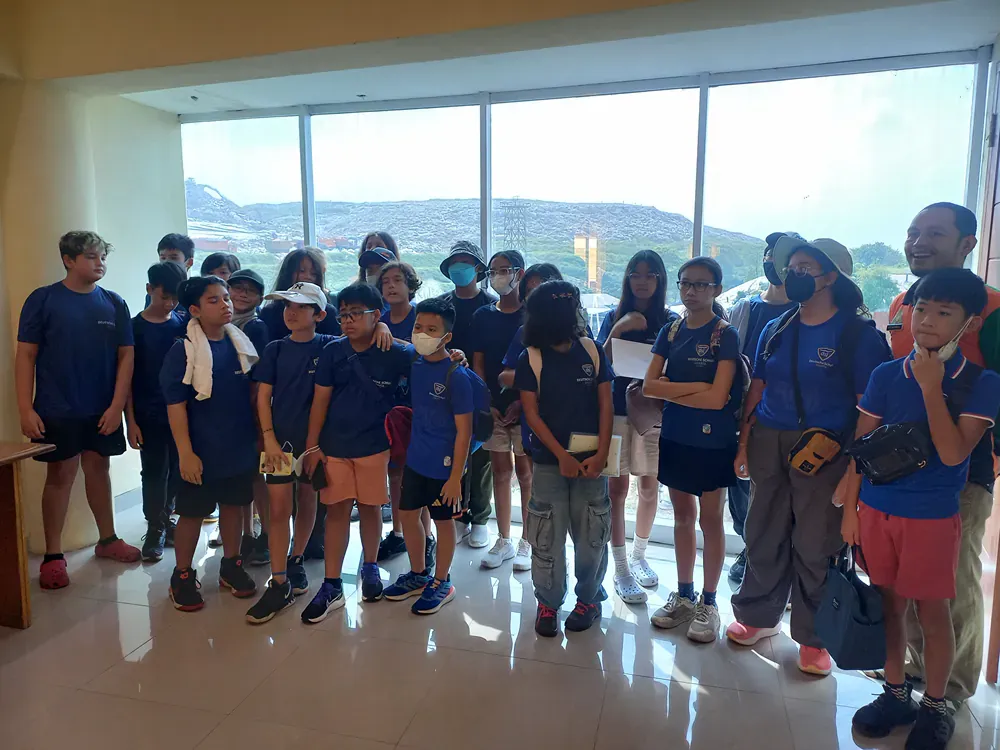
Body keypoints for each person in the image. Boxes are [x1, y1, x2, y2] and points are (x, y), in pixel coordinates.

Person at [845, 268, 1000, 749]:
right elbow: (861, 445)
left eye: (944, 312)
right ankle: (895, 694)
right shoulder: (886, 374)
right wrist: (849, 509)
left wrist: (933, 387)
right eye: (922, 310)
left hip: (932, 516)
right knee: (891, 608)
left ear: (970, 323)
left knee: (934, 614)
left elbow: (953, 454)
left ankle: (935, 705)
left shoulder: (981, 382)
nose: (927, 321)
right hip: (877, 510)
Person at [727, 236, 890, 676]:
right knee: (762, 530)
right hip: (769, 441)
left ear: (831, 277)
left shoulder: (857, 335)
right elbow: (757, 389)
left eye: (805, 269)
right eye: (791, 269)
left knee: (816, 543)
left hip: (827, 450)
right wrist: (743, 443)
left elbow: (869, 411)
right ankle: (758, 616)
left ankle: (815, 636)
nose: (794, 275)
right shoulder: (777, 327)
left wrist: (853, 473)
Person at [882, 202, 1000, 708]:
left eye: (934, 233)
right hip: (896, 470)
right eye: (913, 232)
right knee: (902, 581)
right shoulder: (901, 303)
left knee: (950, 583)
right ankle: (915, 668)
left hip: (962, 472)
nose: (918, 242)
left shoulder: (991, 309)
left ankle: (950, 689)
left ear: (967, 244)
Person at [16, 231, 140, 589]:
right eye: (90, 257)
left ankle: (107, 539)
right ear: (68, 260)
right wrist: (25, 408)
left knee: (99, 469)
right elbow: (26, 355)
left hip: (102, 408)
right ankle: (53, 555)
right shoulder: (44, 299)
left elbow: (126, 357)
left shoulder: (113, 302)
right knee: (60, 476)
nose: (99, 263)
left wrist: (116, 406)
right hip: (57, 406)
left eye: (103, 257)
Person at [299, 283, 413, 623]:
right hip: (335, 447)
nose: (347, 321)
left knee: (370, 508)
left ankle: (371, 567)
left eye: (355, 314)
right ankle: (332, 583)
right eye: (343, 315)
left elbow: (426, 361)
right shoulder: (333, 352)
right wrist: (312, 446)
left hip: (375, 446)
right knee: (336, 511)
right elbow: (319, 401)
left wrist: (455, 356)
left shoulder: (393, 351)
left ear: (376, 315)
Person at [642, 257, 739, 643]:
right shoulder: (671, 330)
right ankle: (684, 596)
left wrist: (673, 390)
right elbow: (649, 386)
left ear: (716, 289)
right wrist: (697, 388)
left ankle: (709, 603)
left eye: (701, 284)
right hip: (676, 435)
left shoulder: (724, 334)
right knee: (683, 516)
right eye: (686, 283)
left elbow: (718, 400)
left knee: (711, 520)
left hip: (714, 441)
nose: (692, 291)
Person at [515, 280, 613, 637]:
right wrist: (561, 456)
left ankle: (588, 599)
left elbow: (606, 404)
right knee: (546, 536)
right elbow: (532, 414)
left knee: (591, 535)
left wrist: (601, 453)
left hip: (592, 463)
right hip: (548, 463)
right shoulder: (531, 358)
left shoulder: (592, 350)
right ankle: (548, 602)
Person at [161, 276, 260, 611]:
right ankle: (182, 575)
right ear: (194, 310)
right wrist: (186, 453)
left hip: (237, 446)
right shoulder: (184, 350)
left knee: (234, 506)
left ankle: (231, 566)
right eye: (214, 300)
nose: (225, 304)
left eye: (226, 298)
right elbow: (175, 407)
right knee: (192, 513)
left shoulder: (240, 344)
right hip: (200, 450)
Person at [245, 282, 337, 623]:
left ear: (319, 315)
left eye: (300, 306)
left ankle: (296, 558)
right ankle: (279, 580)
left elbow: (369, 342)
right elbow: (262, 397)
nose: (291, 312)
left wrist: (384, 328)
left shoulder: (330, 347)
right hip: (278, 443)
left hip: (316, 444)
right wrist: (268, 438)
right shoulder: (275, 349)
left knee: (308, 499)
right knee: (278, 509)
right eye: (287, 305)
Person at [383, 297, 475, 615]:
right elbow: (399, 344)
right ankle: (419, 573)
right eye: (418, 327)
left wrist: (455, 478)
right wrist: (381, 327)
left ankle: (442, 581)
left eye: (431, 329)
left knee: (443, 521)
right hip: (416, 460)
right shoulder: (416, 363)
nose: (422, 334)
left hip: (444, 467)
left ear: (447, 336)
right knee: (408, 515)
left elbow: (464, 432)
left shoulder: (457, 375)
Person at [597, 250, 677, 604]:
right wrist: (619, 328)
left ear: (660, 280)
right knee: (616, 490)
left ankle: (640, 555)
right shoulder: (614, 317)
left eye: (650, 274)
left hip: (654, 414)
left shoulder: (671, 322)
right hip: (615, 412)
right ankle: (620, 567)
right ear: (627, 279)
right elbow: (598, 364)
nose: (642, 281)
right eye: (635, 274)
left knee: (649, 487)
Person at [724, 232, 800, 584]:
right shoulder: (746, 309)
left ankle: (782, 560)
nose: (773, 261)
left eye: (781, 256)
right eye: (769, 254)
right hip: (743, 416)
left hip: (788, 422)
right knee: (742, 491)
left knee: (784, 495)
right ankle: (750, 548)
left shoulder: (804, 314)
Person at [472, 250, 532, 570]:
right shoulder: (483, 315)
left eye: (504, 270)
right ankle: (504, 538)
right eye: (492, 271)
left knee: (526, 473)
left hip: (527, 406)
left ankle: (528, 541)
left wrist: (523, 402)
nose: (497, 276)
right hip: (493, 406)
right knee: (500, 471)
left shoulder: (531, 315)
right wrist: (487, 402)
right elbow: (479, 363)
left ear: (519, 274)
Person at [126, 261, 188, 562]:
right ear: (149, 289)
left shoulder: (184, 324)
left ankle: (167, 518)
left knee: (178, 468)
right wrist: (130, 421)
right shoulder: (134, 328)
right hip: (148, 413)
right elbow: (125, 378)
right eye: (164, 297)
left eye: (175, 298)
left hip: (182, 412)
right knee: (153, 471)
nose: (170, 304)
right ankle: (154, 527)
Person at [437, 240, 497, 549]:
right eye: (455, 263)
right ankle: (456, 514)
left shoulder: (491, 306)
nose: (460, 268)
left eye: (466, 262)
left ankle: (481, 518)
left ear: (478, 268)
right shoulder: (441, 305)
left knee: (481, 457)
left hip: (481, 390)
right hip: (445, 390)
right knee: (451, 454)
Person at [375, 260, 436, 563]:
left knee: (417, 473)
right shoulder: (379, 319)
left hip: (420, 405)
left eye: (397, 280)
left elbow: (428, 352)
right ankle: (399, 532)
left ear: (411, 285)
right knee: (395, 472)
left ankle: (426, 536)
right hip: (388, 405)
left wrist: (392, 338)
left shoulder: (421, 318)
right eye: (385, 281)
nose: (391, 285)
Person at [259, 248, 342, 342]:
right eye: (302, 271)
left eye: (314, 273)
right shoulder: (270, 312)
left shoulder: (328, 312)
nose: (308, 276)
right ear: (288, 273)